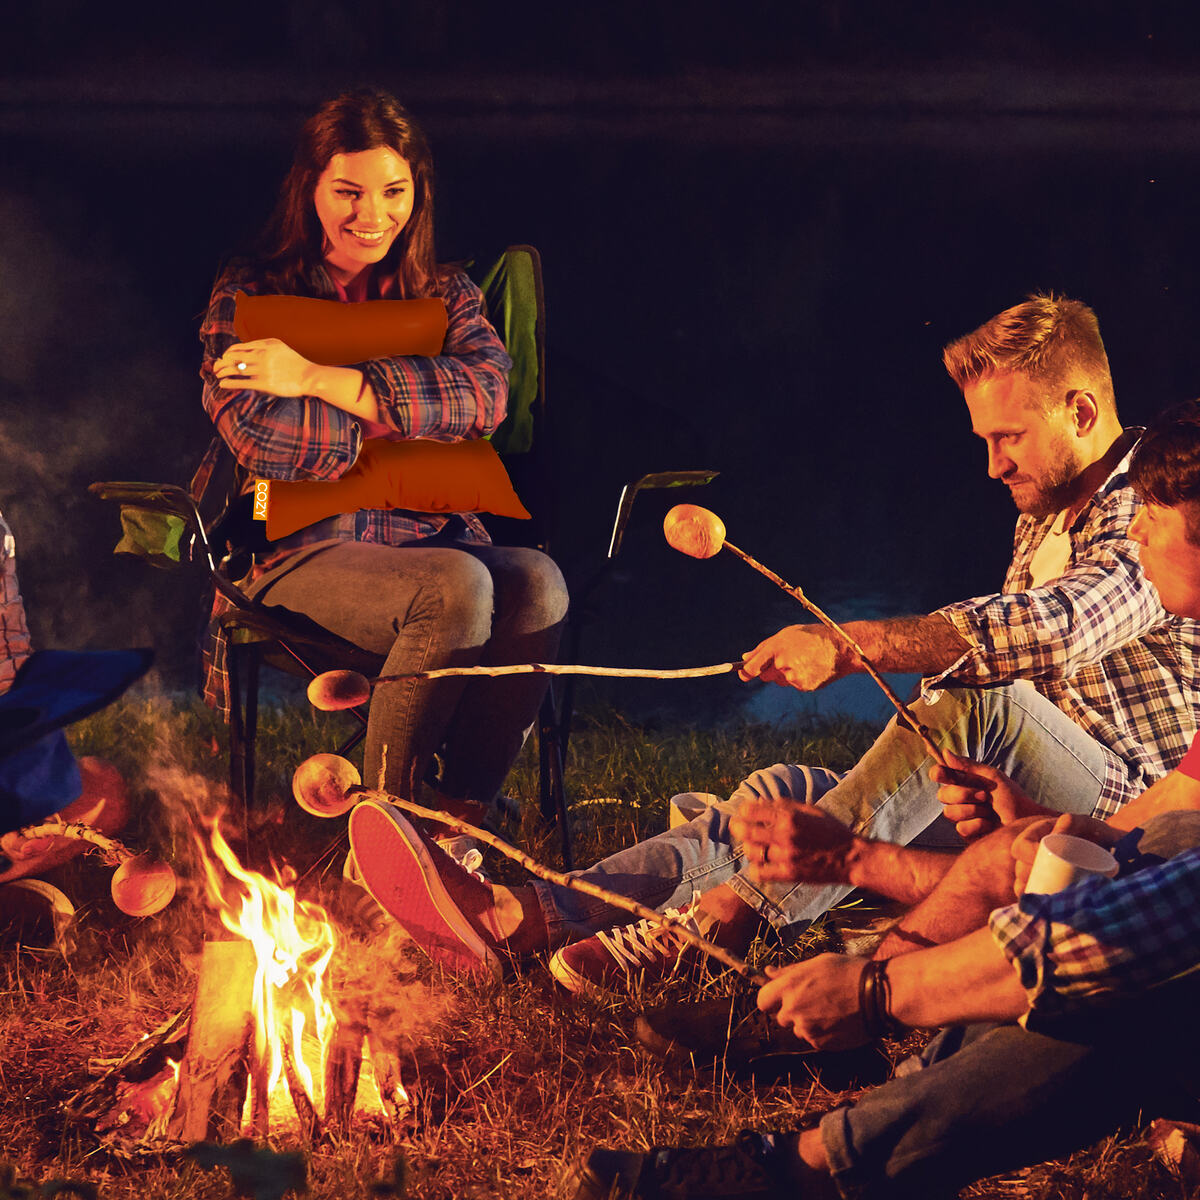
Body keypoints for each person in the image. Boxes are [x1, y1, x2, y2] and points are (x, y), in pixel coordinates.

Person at [346, 296, 1200, 993]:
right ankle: (522, 917)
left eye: (1006, 438)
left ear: (1081, 410)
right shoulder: (1049, 511)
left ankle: (721, 920)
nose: (990, 466)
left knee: (980, 696)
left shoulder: (1154, 506)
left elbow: (1059, 629)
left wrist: (850, 642)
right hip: (1022, 803)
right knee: (779, 793)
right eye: (983, 441)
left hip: (1126, 812)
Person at [568, 400, 1200, 1197]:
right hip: (1129, 838)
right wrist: (1030, 832)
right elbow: (1146, 833)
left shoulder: (1117, 527)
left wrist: (879, 992)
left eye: (1155, 521)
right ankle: (546, 910)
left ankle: (806, 1143)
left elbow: (1133, 919)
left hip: (1129, 831)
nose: (1137, 534)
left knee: (1092, 1007)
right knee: (785, 793)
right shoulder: (1044, 520)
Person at [198, 88, 567, 822]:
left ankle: (458, 820)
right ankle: (387, 839)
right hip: (297, 550)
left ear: (417, 193)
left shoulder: (449, 294)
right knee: (457, 588)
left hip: (436, 536)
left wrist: (316, 379)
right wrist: (412, 416)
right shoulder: (249, 294)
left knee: (540, 581)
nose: (373, 216)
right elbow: (264, 437)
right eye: (349, 191)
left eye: (394, 192)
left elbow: (487, 399)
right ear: (309, 189)